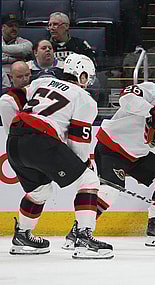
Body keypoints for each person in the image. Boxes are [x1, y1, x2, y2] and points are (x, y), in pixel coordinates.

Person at [62, 69, 155, 248]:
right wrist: (152, 111)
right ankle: (79, 231)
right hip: (112, 148)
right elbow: (125, 99)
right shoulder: (151, 91)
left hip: (137, 156)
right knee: (110, 191)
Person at [0, 53, 114, 259]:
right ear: (82, 76)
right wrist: (85, 167)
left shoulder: (41, 82)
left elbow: (6, 100)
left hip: (16, 141)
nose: (89, 82)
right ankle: (83, 238)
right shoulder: (84, 99)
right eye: (88, 77)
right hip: (41, 141)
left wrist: (14, 133)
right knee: (88, 181)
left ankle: (23, 235)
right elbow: (78, 143)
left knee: (40, 191)